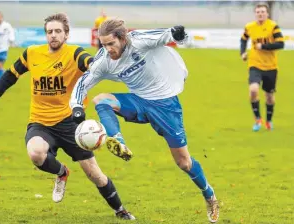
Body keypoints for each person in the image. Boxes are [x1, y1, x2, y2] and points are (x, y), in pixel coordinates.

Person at [0, 13, 135, 220]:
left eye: (58, 31)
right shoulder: (32, 53)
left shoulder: (74, 53)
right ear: (45, 34)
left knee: (95, 174)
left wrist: (98, 64)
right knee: (35, 153)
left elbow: (90, 63)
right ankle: (62, 173)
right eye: (49, 32)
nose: (53, 35)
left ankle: (120, 210)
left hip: (71, 124)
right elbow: (10, 76)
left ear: (66, 34)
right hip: (40, 122)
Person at [70, 19, 219, 223]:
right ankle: (118, 141)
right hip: (139, 101)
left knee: (184, 162)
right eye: (103, 44)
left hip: (166, 106)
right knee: (101, 100)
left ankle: (209, 195)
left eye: (110, 44)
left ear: (123, 38)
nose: (107, 49)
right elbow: (82, 83)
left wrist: (178, 34)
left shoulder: (138, 40)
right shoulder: (104, 59)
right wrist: (76, 107)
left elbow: (167, 35)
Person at [240, 2, 284, 131]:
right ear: (255, 14)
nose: (260, 14)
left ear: (267, 14)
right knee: (253, 90)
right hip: (255, 64)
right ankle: (258, 119)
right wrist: (243, 52)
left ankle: (269, 120)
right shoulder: (250, 27)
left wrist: (263, 46)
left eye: (263, 12)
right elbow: (243, 39)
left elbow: (281, 44)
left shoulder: (273, 26)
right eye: (258, 12)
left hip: (271, 66)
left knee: (269, 96)